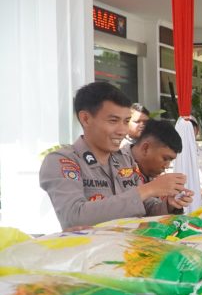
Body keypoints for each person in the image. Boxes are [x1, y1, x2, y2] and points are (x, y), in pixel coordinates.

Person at [40, 82, 192, 230]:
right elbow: (74, 217)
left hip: (131, 244)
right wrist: (148, 189)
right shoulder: (63, 161)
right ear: (86, 119)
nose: (122, 131)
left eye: (126, 122)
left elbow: (146, 207)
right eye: (113, 121)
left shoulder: (125, 160)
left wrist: (169, 204)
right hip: (94, 246)